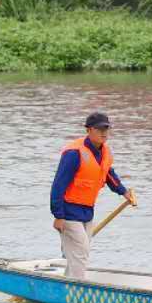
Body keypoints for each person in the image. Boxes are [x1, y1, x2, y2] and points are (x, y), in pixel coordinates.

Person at [49, 112, 136, 281]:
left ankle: (68, 282)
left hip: (87, 212)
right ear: (89, 130)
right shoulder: (74, 153)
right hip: (68, 211)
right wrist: (58, 215)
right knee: (81, 251)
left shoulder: (104, 152)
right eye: (99, 129)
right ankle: (78, 288)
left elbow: (109, 175)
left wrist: (124, 192)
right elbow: (58, 185)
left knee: (79, 252)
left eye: (107, 129)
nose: (104, 133)